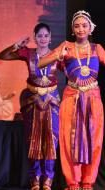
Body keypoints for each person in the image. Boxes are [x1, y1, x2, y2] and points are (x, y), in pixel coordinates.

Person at [38, 10, 104, 190]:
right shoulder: (66, 46)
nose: (81, 29)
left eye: (84, 26)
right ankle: (73, 182)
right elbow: (40, 63)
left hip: (93, 99)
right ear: (73, 30)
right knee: (69, 140)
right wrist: (58, 55)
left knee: (94, 140)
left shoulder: (97, 49)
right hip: (71, 98)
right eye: (77, 26)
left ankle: (88, 181)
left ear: (91, 28)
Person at [0, 23, 59, 190]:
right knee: (34, 140)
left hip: (52, 102)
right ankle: (35, 178)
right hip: (33, 102)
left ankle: (48, 178)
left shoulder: (57, 54)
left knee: (51, 140)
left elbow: (71, 71)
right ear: (34, 37)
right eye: (40, 36)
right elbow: (2, 56)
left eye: (46, 36)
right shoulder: (28, 53)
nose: (43, 39)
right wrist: (17, 45)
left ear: (50, 37)